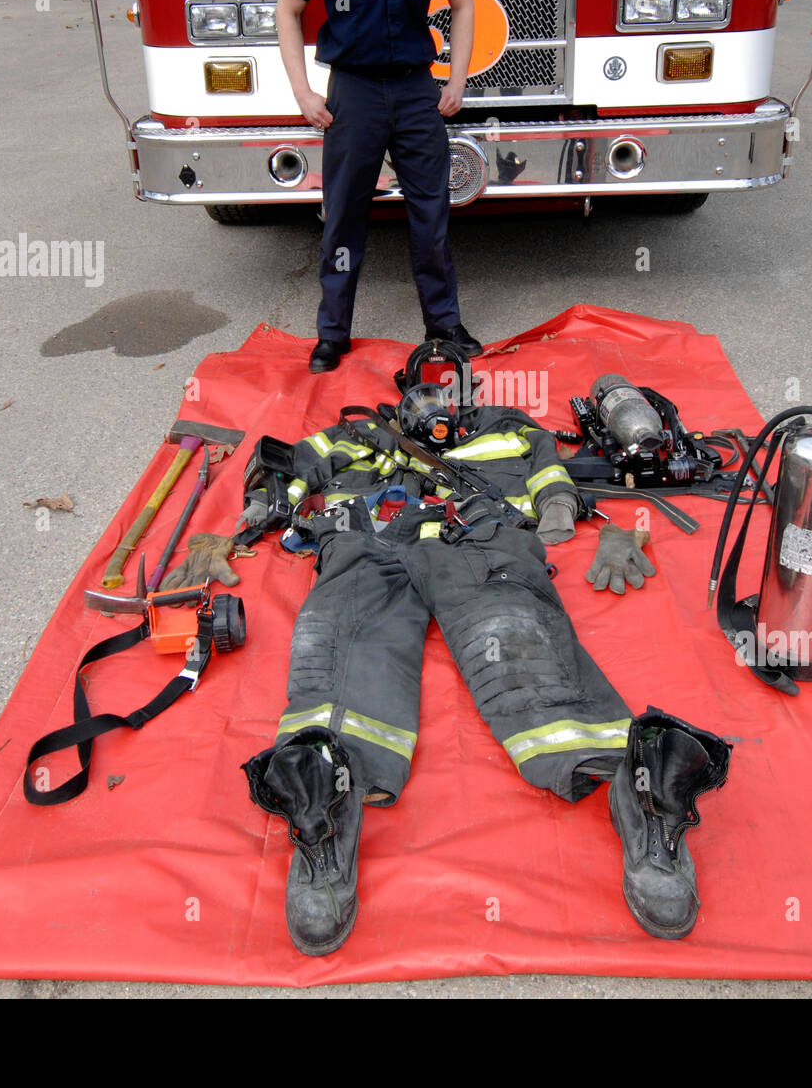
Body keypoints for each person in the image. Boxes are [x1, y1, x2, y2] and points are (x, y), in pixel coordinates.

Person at [239, 397, 733, 956]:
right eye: (421, 389)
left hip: (480, 542)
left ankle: (644, 792)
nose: (432, 401)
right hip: (364, 543)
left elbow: (546, 462)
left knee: (525, 658)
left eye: (445, 385)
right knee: (340, 658)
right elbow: (297, 457)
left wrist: (557, 501)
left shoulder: (507, 427)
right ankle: (320, 805)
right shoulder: (366, 432)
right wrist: (270, 500)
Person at [275, 0, 486, 373]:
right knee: (342, 215)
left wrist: (457, 80)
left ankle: (444, 327)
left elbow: (464, 3)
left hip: (417, 90)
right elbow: (287, 9)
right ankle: (332, 334)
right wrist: (303, 93)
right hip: (354, 93)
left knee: (431, 211)